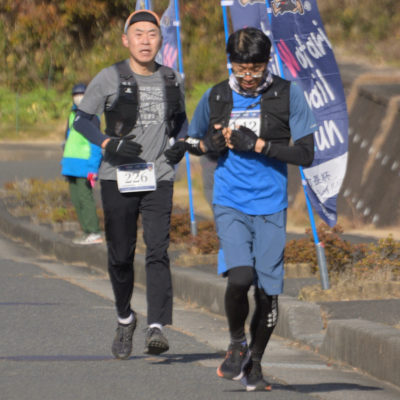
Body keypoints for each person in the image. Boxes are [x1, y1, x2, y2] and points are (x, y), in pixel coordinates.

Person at [165, 27, 316, 391]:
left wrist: (261, 146)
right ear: (230, 63)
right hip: (230, 200)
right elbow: (193, 141)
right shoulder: (216, 95)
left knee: (267, 293)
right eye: (240, 68)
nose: (248, 77)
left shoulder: (288, 95)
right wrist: (210, 145)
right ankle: (236, 344)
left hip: (271, 204)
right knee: (240, 277)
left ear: (267, 63)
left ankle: (255, 363)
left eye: (256, 69)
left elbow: (306, 154)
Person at [72, 10, 187, 359]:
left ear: (160, 40)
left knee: (158, 250)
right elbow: (82, 120)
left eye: (152, 34)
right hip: (117, 176)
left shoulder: (173, 78)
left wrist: (181, 144)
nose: (145, 40)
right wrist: (109, 143)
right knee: (121, 255)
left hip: (159, 176)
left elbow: (180, 121)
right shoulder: (109, 77)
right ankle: (125, 318)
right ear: (126, 40)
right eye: (138, 34)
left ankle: (157, 326)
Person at [61, 83, 103, 245]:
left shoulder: (92, 116)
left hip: (85, 166)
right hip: (71, 165)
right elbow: (68, 140)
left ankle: (94, 231)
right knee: (76, 200)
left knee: (85, 199)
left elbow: (96, 144)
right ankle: (86, 231)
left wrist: (93, 168)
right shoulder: (72, 115)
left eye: (82, 94)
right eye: (76, 94)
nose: (78, 97)